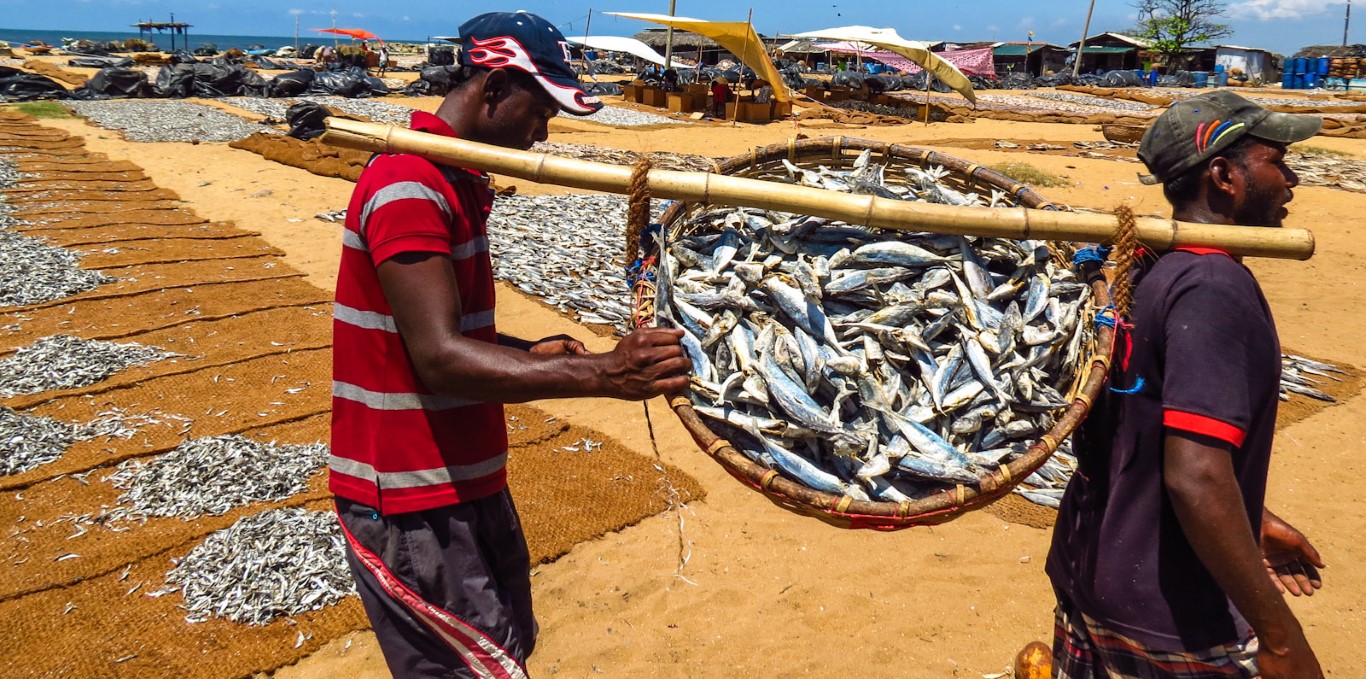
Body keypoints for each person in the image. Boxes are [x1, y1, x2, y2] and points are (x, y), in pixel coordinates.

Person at [329, 11, 691, 678]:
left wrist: (527, 350)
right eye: (540, 108)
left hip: (464, 485)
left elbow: (440, 331)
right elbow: (436, 356)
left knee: (506, 648)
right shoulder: (410, 183)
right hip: (414, 500)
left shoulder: (455, 179)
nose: (545, 131)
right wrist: (606, 373)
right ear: (493, 89)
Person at [1044, 90, 1327, 677]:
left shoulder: (1143, 268)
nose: (1293, 177)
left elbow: (1139, 429)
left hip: (1093, 573)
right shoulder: (1213, 287)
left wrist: (1253, 517)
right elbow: (1194, 474)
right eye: (1277, 160)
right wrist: (1279, 636)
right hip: (1169, 611)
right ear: (1224, 175)